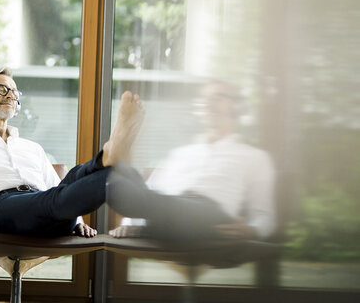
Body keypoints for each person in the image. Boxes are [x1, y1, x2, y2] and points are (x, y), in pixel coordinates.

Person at [0, 67, 143, 238]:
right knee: (52, 200)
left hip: (44, 207)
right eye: (2, 89)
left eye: (14, 92)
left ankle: (107, 159)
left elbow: (59, 188)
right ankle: (109, 164)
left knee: (75, 176)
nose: (11, 96)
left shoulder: (32, 148)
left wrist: (77, 220)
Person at [109, 81, 276, 241]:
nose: (208, 103)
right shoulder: (181, 153)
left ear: (237, 106)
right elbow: (150, 193)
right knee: (123, 179)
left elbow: (264, 216)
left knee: (128, 188)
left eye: (218, 97)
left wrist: (252, 230)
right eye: (204, 98)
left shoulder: (254, 157)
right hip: (171, 213)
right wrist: (128, 224)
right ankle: (150, 228)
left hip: (213, 218)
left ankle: (150, 228)